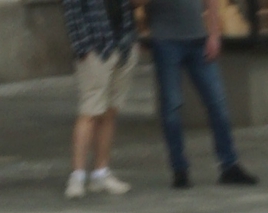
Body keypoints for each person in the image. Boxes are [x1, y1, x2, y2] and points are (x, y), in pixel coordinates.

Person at [143, 0, 255, 190]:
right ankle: (179, 169)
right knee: (172, 106)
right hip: (166, 40)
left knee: (217, 102)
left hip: (198, 39)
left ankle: (229, 165)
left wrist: (214, 33)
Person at [59, 0, 133, 198]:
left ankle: (101, 173)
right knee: (89, 112)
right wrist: (82, 47)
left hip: (123, 42)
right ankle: (77, 176)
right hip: (96, 46)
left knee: (110, 111)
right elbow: (72, 11)